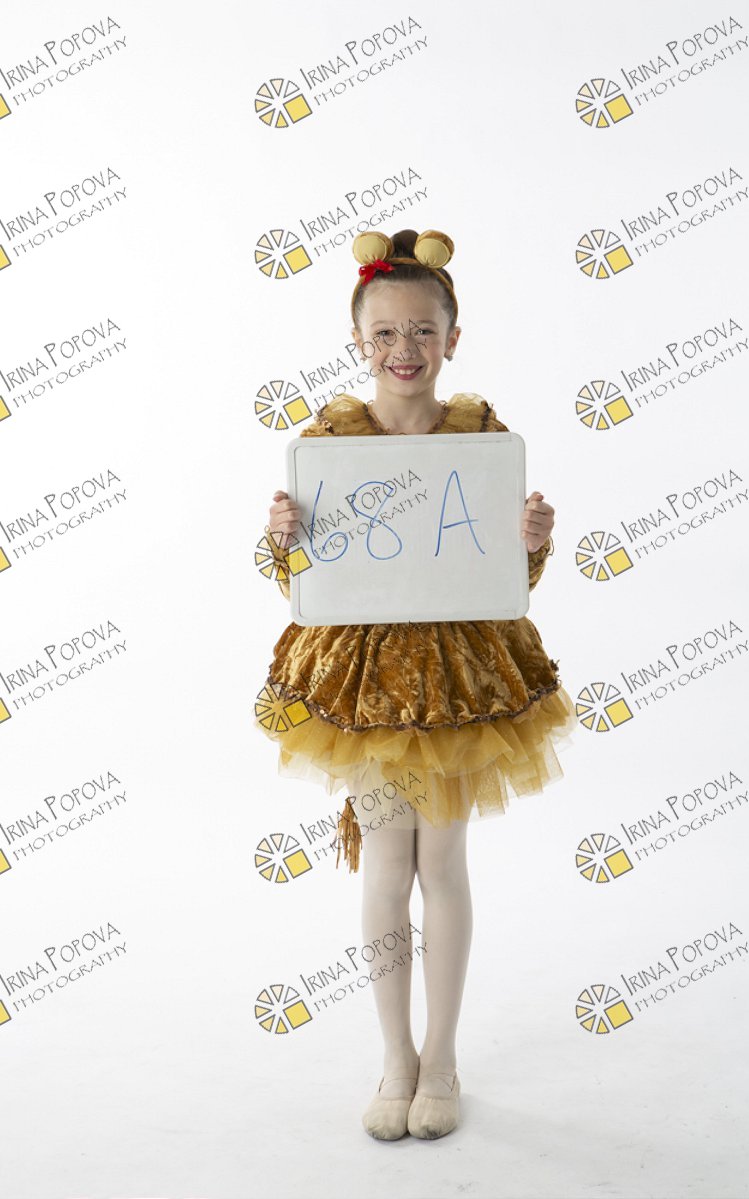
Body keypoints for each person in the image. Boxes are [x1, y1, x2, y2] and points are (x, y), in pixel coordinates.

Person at [254, 227, 578, 1142]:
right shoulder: (331, 442)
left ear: (452, 338)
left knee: (442, 864)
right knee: (386, 864)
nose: (406, 348)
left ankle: (441, 1057)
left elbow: (503, 578)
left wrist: (531, 540)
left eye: (423, 331)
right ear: (360, 342)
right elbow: (306, 583)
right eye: (387, 333)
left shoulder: (478, 437)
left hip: (457, 681)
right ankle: (395, 1057)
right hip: (366, 688)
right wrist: (283, 540)